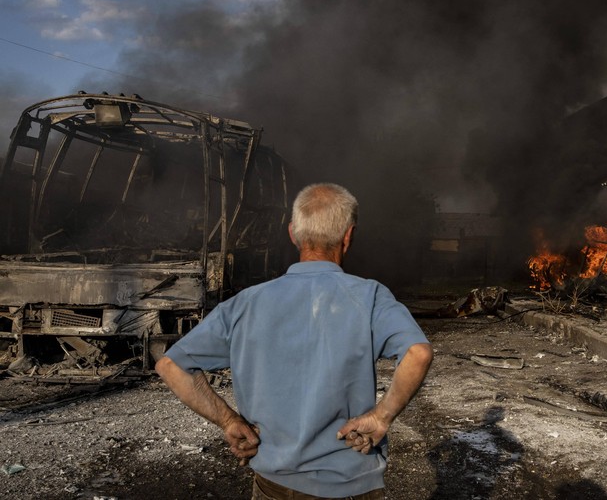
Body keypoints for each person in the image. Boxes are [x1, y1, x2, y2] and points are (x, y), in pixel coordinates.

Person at [156, 183, 433, 499]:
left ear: (292, 233)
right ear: (348, 236)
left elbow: (170, 365)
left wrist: (228, 420)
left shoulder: (245, 304)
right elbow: (418, 353)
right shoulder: (369, 297)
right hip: (350, 482)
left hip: (274, 484)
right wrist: (381, 417)